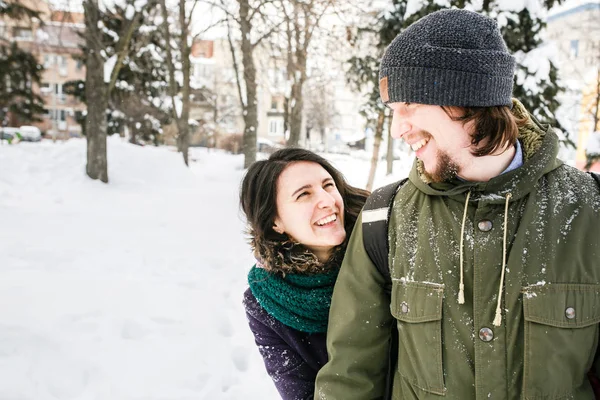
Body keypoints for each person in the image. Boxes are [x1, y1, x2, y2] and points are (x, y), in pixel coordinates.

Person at [315, 9, 600, 400]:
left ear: (466, 99)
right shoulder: (386, 216)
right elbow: (350, 375)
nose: (398, 128)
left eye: (409, 106)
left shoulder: (591, 210)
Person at [240, 148, 369, 399]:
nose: (327, 200)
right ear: (274, 221)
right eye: (304, 194)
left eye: (328, 185)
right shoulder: (265, 301)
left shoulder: (379, 245)